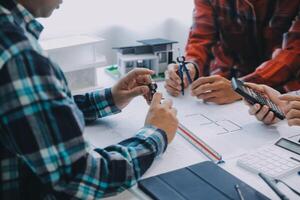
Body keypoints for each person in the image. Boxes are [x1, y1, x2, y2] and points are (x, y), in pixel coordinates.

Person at [0, 0, 178, 199]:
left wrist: (109, 98)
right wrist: (155, 134)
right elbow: (81, 176)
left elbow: (33, 115)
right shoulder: (20, 57)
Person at [165, 0, 300, 105]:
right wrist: (190, 67)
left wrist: (241, 88)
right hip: (220, 90)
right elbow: (201, 37)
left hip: (281, 96)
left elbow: (291, 57)